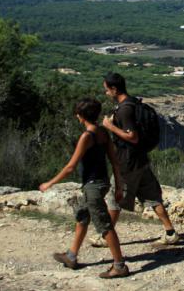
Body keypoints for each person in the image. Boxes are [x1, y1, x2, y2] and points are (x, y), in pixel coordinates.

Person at [39, 98, 129, 279]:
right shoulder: (103, 132)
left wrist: (50, 183)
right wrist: (118, 185)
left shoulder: (87, 136)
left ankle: (119, 265)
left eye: (77, 114)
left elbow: (70, 166)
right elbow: (114, 160)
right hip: (102, 182)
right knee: (82, 216)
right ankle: (71, 256)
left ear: (81, 116)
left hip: (92, 186)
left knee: (105, 227)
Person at [100, 72, 180, 245]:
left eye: (106, 90)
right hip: (140, 159)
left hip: (127, 161)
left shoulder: (124, 109)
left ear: (114, 89)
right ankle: (170, 232)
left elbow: (132, 137)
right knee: (152, 197)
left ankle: (106, 237)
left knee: (114, 199)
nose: (106, 93)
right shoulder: (133, 102)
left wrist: (110, 126)